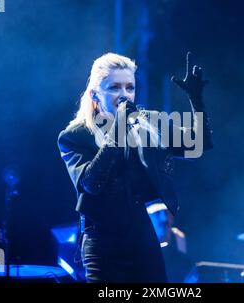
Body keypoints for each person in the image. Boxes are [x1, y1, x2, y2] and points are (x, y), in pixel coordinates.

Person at [57, 52, 213, 282]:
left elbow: (198, 146)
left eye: (129, 87)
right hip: (103, 244)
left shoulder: (146, 125)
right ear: (95, 95)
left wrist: (196, 100)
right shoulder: (75, 137)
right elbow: (91, 183)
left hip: (142, 237)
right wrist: (119, 127)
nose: (124, 95)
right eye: (114, 87)